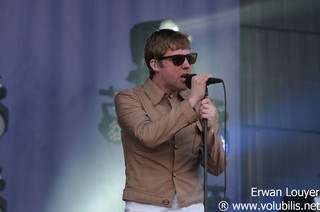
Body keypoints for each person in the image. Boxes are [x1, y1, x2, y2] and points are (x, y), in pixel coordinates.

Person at [114, 29, 226, 212]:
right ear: (155, 65)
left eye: (190, 58)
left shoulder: (200, 102)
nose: (187, 66)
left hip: (192, 204)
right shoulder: (129, 99)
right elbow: (148, 136)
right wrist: (191, 102)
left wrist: (212, 130)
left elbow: (217, 168)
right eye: (177, 60)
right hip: (146, 205)